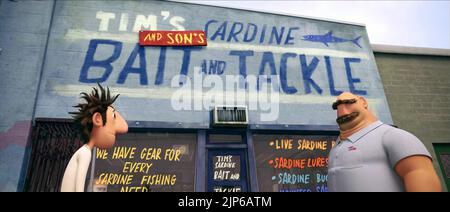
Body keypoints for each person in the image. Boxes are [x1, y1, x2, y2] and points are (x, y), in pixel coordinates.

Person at [327, 92, 441, 192]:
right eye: (337, 107)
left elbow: (419, 175)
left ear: (363, 102)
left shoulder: (393, 137)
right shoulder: (336, 147)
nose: (343, 111)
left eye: (348, 102)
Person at [60, 84, 128, 192]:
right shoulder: (85, 153)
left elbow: (124, 127)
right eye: (113, 117)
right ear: (97, 119)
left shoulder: (84, 151)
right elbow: (79, 185)